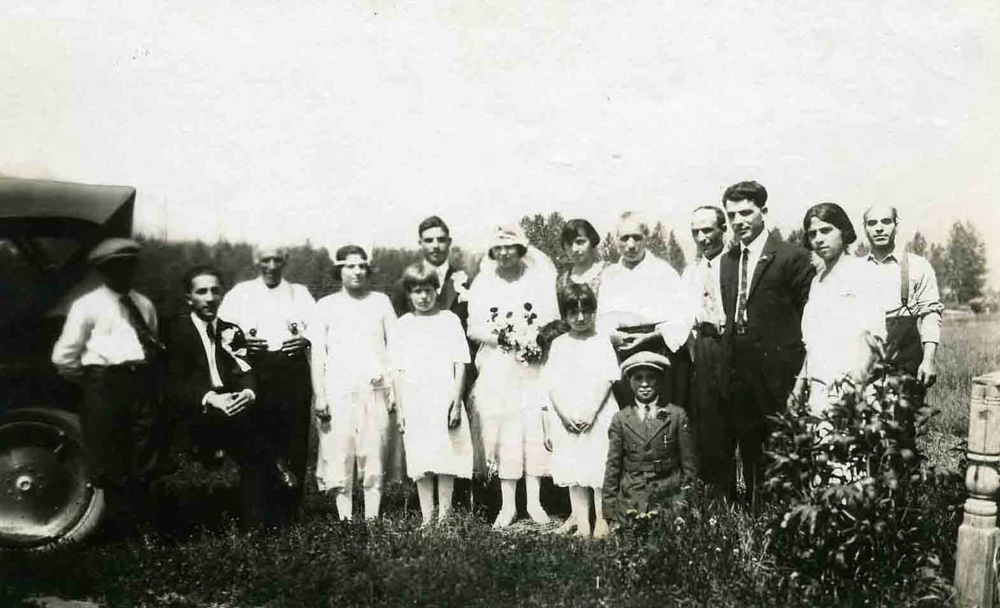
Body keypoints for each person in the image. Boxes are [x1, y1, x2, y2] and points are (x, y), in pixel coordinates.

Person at [162, 265, 297, 528]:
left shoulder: (231, 331)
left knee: (256, 435)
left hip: (231, 405)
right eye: (202, 292)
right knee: (249, 436)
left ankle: (256, 522)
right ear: (189, 298)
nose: (210, 298)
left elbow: (244, 369)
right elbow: (172, 382)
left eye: (215, 291)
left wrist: (247, 393)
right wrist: (209, 398)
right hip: (194, 410)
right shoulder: (176, 332)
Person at [51, 238, 167, 528]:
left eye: (128, 265)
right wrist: (93, 382)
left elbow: (152, 344)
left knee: (144, 449)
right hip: (104, 383)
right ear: (102, 271)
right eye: (114, 267)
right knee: (109, 453)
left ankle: (143, 523)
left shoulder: (143, 304)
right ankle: (116, 525)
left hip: (141, 383)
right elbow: (65, 356)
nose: (122, 272)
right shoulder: (87, 306)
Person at [719, 181, 815, 506]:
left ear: (764, 212)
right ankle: (757, 513)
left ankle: (787, 513)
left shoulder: (791, 257)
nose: (738, 221)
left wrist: (800, 371)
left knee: (784, 445)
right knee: (749, 444)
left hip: (779, 371)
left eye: (746, 212)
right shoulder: (728, 260)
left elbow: (809, 317)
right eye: (732, 215)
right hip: (740, 369)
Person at [466, 224, 559, 529]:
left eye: (510, 246)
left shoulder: (537, 279)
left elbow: (551, 319)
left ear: (521, 248)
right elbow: (473, 327)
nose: (505, 253)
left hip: (532, 365)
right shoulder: (483, 282)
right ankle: (507, 505)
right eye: (499, 247)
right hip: (498, 365)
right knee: (504, 430)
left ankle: (534, 502)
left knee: (533, 427)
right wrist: (504, 340)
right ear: (492, 251)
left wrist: (536, 342)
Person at [217, 244, 315, 527]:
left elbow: (319, 327)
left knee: (294, 440)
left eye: (277, 260)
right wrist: (242, 341)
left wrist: (306, 339)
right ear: (256, 262)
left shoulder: (299, 293)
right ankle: (256, 513)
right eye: (265, 260)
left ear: (285, 262)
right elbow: (221, 331)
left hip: (292, 370)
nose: (271, 266)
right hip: (254, 371)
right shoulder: (241, 293)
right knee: (256, 441)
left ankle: (289, 513)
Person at [311, 245, 396, 520]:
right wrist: (320, 395)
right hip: (338, 389)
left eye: (362, 266)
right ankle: (345, 518)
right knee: (340, 451)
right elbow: (318, 355)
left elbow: (395, 348)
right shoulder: (325, 306)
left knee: (374, 451)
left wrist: (393, 386)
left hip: (375, 388)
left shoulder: (381, 302)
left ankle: (372, 517)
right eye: (350, 266)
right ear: (339, 270)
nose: (357, 271)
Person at [388, 264, 472, 526]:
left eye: (427, 290)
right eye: (416, 291)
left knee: (446, 456)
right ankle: (428, 517)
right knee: (421, 458)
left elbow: (461, 363)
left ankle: (445, 515)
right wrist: (401, 410)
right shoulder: (403, 325)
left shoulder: (449, 320)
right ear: (408, 294)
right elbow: (397, 371)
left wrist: (457, 402)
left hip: (444, 396)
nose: (423, 297)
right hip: (415, 400)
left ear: (436, 290)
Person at [789, 204, 886, 415]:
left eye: (826, 230)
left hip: (853, 388)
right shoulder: (817, 282)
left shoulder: (863, 272)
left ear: (843, 231)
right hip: (819, 388)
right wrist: (799, 385)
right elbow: (812, 343)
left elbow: (875, 339)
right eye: (812, 234)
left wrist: (856, 388)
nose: (819, 239)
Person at [541, 283, 617, 539]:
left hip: (598, 410)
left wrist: (593, 412)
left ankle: (602, 521)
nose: (581, 318)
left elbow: (608, 379)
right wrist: (563, 415)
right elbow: (550, 384)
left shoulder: (601, 340)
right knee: (574, 466)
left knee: (598, 465)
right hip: (568, 412)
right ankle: (582, 522)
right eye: (574, 313)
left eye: (586, 311)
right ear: (564, 316)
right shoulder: (560, 344)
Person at [597, 211, 692, 406]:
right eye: (624, 238)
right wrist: (611, 336)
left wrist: (651, 337)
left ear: (646, 238)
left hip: (657, 348)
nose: (631, 245)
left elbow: (682, 318)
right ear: (616, 240)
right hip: (623, 350)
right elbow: (602, 318)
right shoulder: (610, 275)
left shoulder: (664, 272)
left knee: (660, 410)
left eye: (637, 237)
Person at [602, 351, 697, 525]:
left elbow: (689, 465)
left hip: (668, 494)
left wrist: (686, 502)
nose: (644, 384)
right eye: (638, 378)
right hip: (632, 496)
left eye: (651, 378)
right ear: (629, 382)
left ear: (660, 380)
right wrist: (609, 511)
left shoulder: (675, 415)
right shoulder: (621, 419)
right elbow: (613, 467)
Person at [862, 205, 943, 398]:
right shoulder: (856, 270)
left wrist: (929, 360)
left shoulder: (918, 266)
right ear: (865, 228)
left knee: (903, 423)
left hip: (905, 365)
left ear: (896, 226)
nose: (879, 228)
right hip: (864, 366)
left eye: (886, 222)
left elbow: (931, 314)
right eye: (872, 223)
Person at [681, 205, 730, 494]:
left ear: (723, 230)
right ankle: (720, 495)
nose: (702, 237)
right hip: (704, 348)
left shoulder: (736, 263)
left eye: (708, 230)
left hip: (732, 345)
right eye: (696, 232)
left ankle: (752, 498)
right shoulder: (691, 272)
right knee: (710, 425)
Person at [389, 215, 471, 327]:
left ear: (449, 242)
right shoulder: (402, 285)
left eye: (441, 240)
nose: (435, 246)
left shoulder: (466, 282)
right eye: (429, 241)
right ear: (420, 243)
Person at [555, 218, 609, 303]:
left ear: (592, 242)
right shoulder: (561, 280)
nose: (574, 249)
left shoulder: (609, 272)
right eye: (569, 244)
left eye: (580, 242)